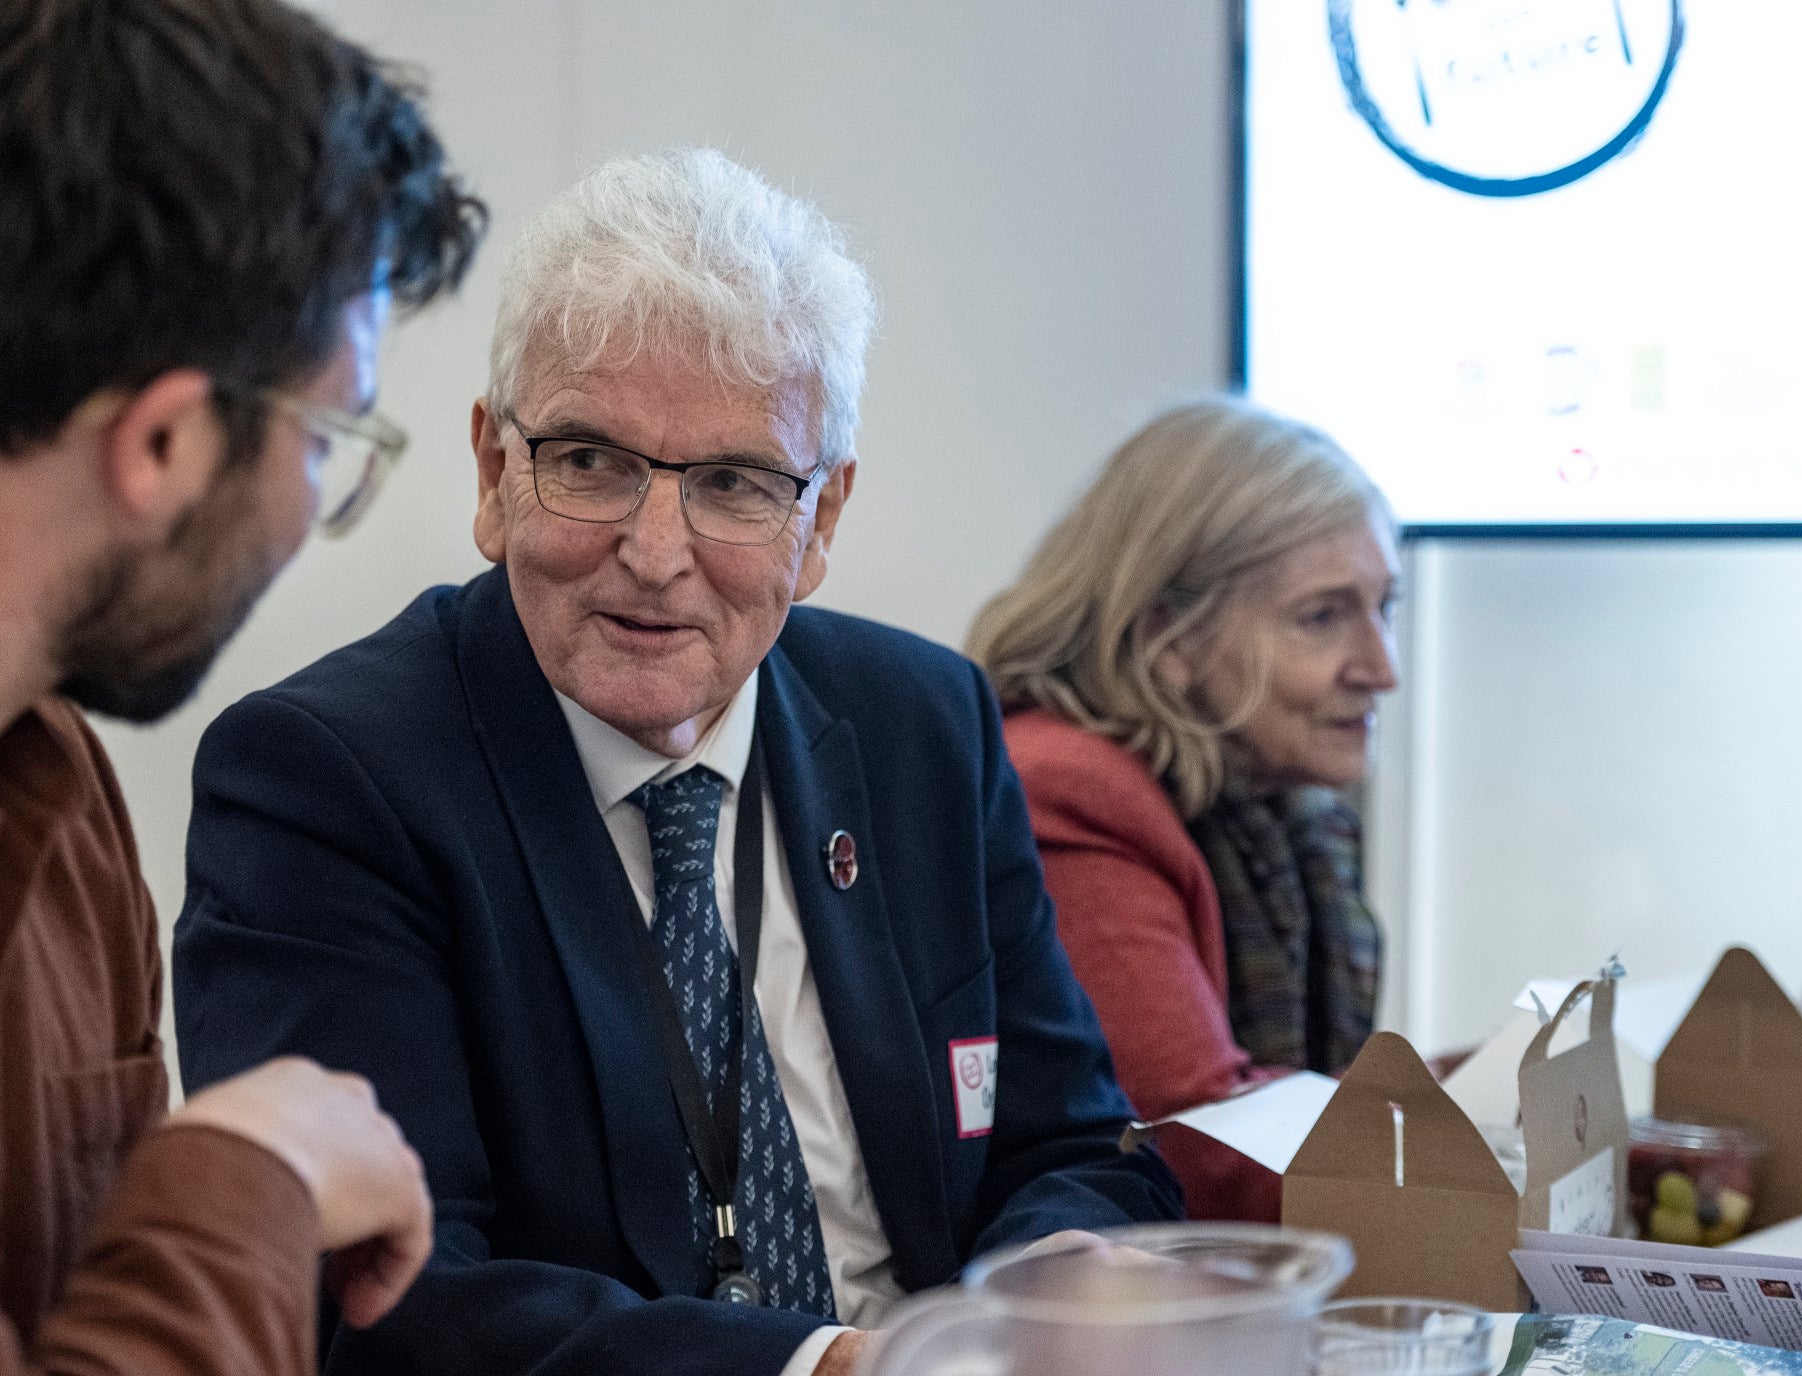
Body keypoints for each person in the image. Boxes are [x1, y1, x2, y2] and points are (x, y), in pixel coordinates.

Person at [174, 148, 1182, 1376]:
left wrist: (1044, 1293)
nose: (656, 552)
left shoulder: (923, 723)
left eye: (735, 483)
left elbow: (1071, 1148)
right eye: (592, 462)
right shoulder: (328, 780)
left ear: (821, 521)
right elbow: (383, 1308)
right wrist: (833, 1366)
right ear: (495, 472)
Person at [0, 1, 484, 1371]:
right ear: (162, 439)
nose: (316, 502)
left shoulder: (50, 780)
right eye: (331, 434)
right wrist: (245, 1180)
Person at [966, 398, 1398, 1223]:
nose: (1383, 668)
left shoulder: (1293, 815)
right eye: (1323, 617)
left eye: (1387, 608)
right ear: (1170, 639)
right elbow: (1194, 1146)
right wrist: (1476, 1140)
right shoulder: (1068, 790)